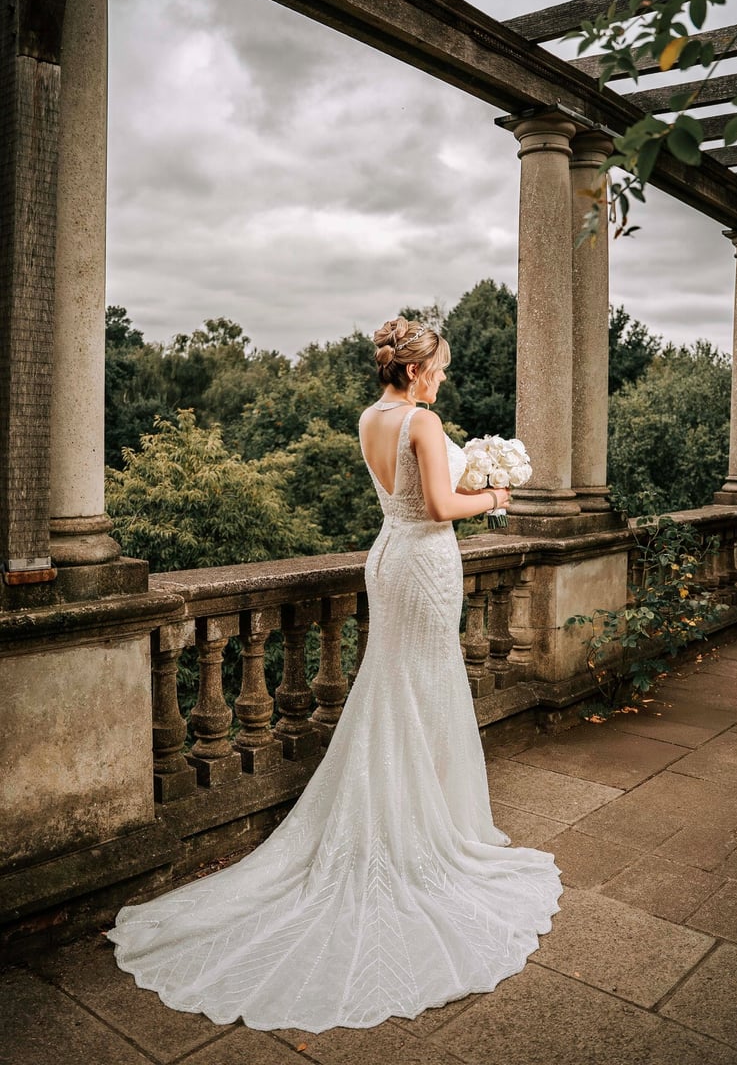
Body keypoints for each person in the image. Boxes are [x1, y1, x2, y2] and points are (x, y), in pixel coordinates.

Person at [108, 316, 562, 1032]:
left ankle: (414, 809)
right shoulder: (419, 418)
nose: (442, 377)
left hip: (388, 555)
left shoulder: (369, 416)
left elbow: (404, 499)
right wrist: (495, 498)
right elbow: (442, 507)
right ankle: (420, 831)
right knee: (421, 687)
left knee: (397, 685)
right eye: (438, 367)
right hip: (425, 559)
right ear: (414, 371)